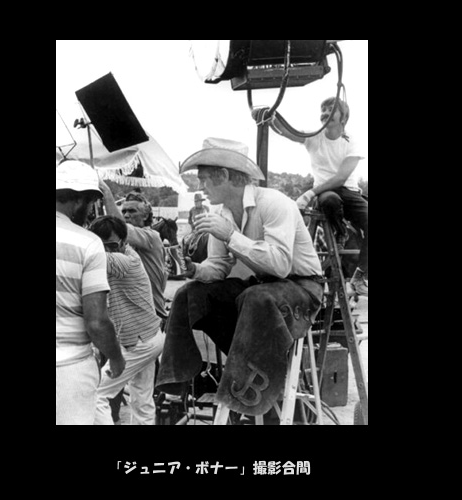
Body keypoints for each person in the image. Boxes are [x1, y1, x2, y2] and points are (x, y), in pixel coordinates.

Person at [155, 137, 324, 417]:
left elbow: (281, 265)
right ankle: (179, 378)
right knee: (190, 293)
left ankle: (247, 391)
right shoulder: (221, 213)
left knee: (253, 297)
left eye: (204, 179)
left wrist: (230, 235)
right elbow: (218, 266)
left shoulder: (275, 203)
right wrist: (194, 269)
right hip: (262, 288)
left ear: (223, 175)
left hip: (303, 287)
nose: (201, 186)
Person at [252, 97, 368, 296]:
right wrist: (269, 119)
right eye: (323, 110)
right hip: (327, 193)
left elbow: (341, 178)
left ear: (343, 117)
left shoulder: (351, 142)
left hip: (348, 191)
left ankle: (360, 275)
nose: (325, 113)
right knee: (329, 200)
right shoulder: (314, 137)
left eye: (331, 109)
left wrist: (309, 193)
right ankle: (341, 231)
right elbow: (288, 132)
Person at [56, 160, 125, 425]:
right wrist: (116, 358)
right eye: (90, 203)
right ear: (78, 201)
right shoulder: (88, 243)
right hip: (68, 368)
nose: (90, 212)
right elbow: (96, 321)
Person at [89, 215, 164, 425]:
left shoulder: (126, 261)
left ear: (124, 242)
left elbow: (93, 257)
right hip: (148, 338)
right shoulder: (123, 255)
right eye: (101, 246)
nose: (108, 251)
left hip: (139, 343)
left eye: (112, 246)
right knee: (142, 400)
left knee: (96, 396)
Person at [99, 182, 168, 322]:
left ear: (145, 216)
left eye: (132, 211)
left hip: (152, 314)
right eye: (124, 211)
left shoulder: (151, 236)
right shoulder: (126, 242)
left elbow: (121, 228)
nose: (126, 215)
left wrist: (107, 194)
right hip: (134, 313)